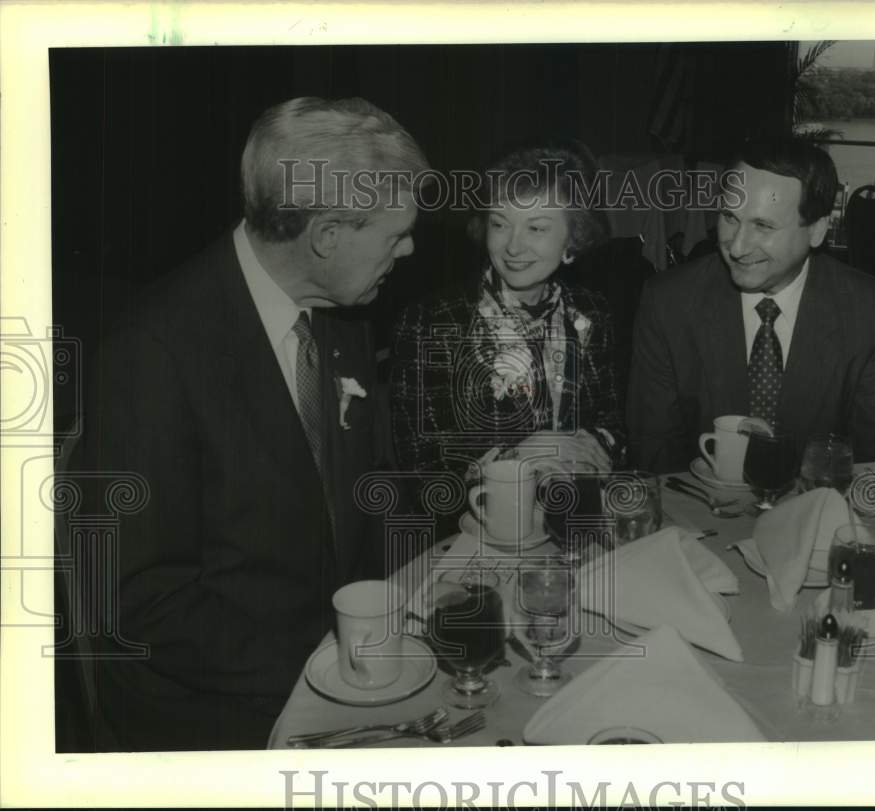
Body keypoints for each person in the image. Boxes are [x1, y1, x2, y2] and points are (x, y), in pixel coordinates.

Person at [69, 97, 429, 750]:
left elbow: (371, 492)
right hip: (211, 710)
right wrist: (325, 667)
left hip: (345, 661)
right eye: (395, 233)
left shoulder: (341, 312)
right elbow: (141, 602)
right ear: (326, 237)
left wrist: (408, 598)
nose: (408, 249)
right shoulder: (152, 354)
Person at [628, 137, 875, 474]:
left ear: (817, 230)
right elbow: (652, 456)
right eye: (730, 217)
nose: (737, 247)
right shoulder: (669, 302)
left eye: (763, 226)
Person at [391, 144, 625, 530]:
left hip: (577, 523)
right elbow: (424, 475)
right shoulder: (431, 322)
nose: (513, 247)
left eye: (536, 228)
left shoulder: (593, 312)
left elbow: (616, 427)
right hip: (477, 532)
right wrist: (518, 457)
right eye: (500, 224)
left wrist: (595, 445)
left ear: (574, 237)